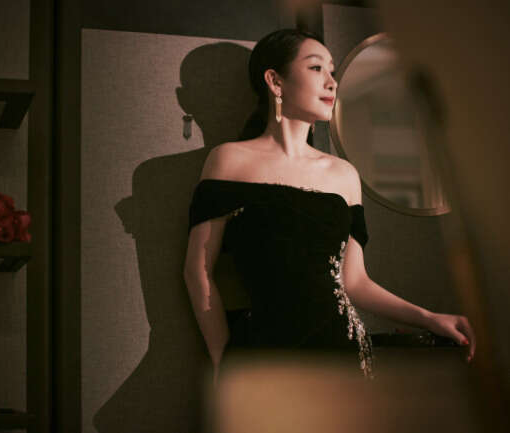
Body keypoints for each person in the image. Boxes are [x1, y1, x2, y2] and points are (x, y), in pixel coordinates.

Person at [182, 28, 476, 386]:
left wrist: (429, 318)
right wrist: (222, 360)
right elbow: (198, 272)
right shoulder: (229, 161)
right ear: (275, 81)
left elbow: (354, 281)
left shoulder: (343, 174)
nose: (332, 82)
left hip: (342, 352)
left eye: (333, 71)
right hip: (266, 354)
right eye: (316, 67)